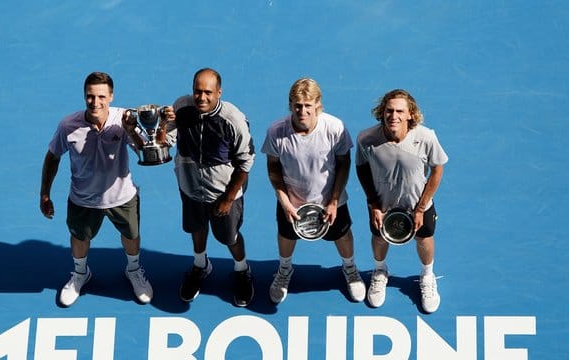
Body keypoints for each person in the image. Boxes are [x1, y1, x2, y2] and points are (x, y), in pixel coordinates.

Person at [40, 71, 168, 307]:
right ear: (84, 96)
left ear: (111, 96)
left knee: (131, 235)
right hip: (82, 198)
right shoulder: (68, 126)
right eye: (90, 96)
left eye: (101, 96)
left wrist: (130, 130)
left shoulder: (124, 119)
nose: (95, 102)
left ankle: (133, 270)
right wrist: (45, 193)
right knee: (79, 238)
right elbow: (52, 157)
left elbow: (143, 150)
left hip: (122, 196)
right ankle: (80, 274)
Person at [261, 78, 366, 304]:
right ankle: (284, 270)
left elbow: (343, 163)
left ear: (318, 104)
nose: (303, 111)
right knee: (286, 235)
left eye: (308, 105)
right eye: (297, 105)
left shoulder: (335, 128)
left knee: (342, 234)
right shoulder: (276, 131)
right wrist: (284, 201)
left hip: (330, 199)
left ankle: (350, 269)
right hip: (292, 201)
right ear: (290, 105)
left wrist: (334, 200)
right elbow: (273, 168)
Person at [164, 68, 255, 307]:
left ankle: (242, 269)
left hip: (223, 193)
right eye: (197, 91)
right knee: (196, 228)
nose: (201, 98)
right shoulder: (182, 107)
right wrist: (162, 123)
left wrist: (228, 198)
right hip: (190, 187)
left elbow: (246, 162)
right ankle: (200, 264)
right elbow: (166, 141)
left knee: (229, 236)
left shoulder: (233, 119)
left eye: (207, 93)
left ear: (219, 93)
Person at [355, 89, 448, 313]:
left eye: (399, 111)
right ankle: (379, 272)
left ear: (410, 115)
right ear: (382, 112)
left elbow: (437, 170)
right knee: (378, 238)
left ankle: (426, 276)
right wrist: (373, 202)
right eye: (389, 110)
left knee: (424, 238)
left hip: (418, 203)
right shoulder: (366, 139)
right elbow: (361, 168)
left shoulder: (426, 137)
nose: (393, 116)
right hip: (382, 203)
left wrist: (421, 207)